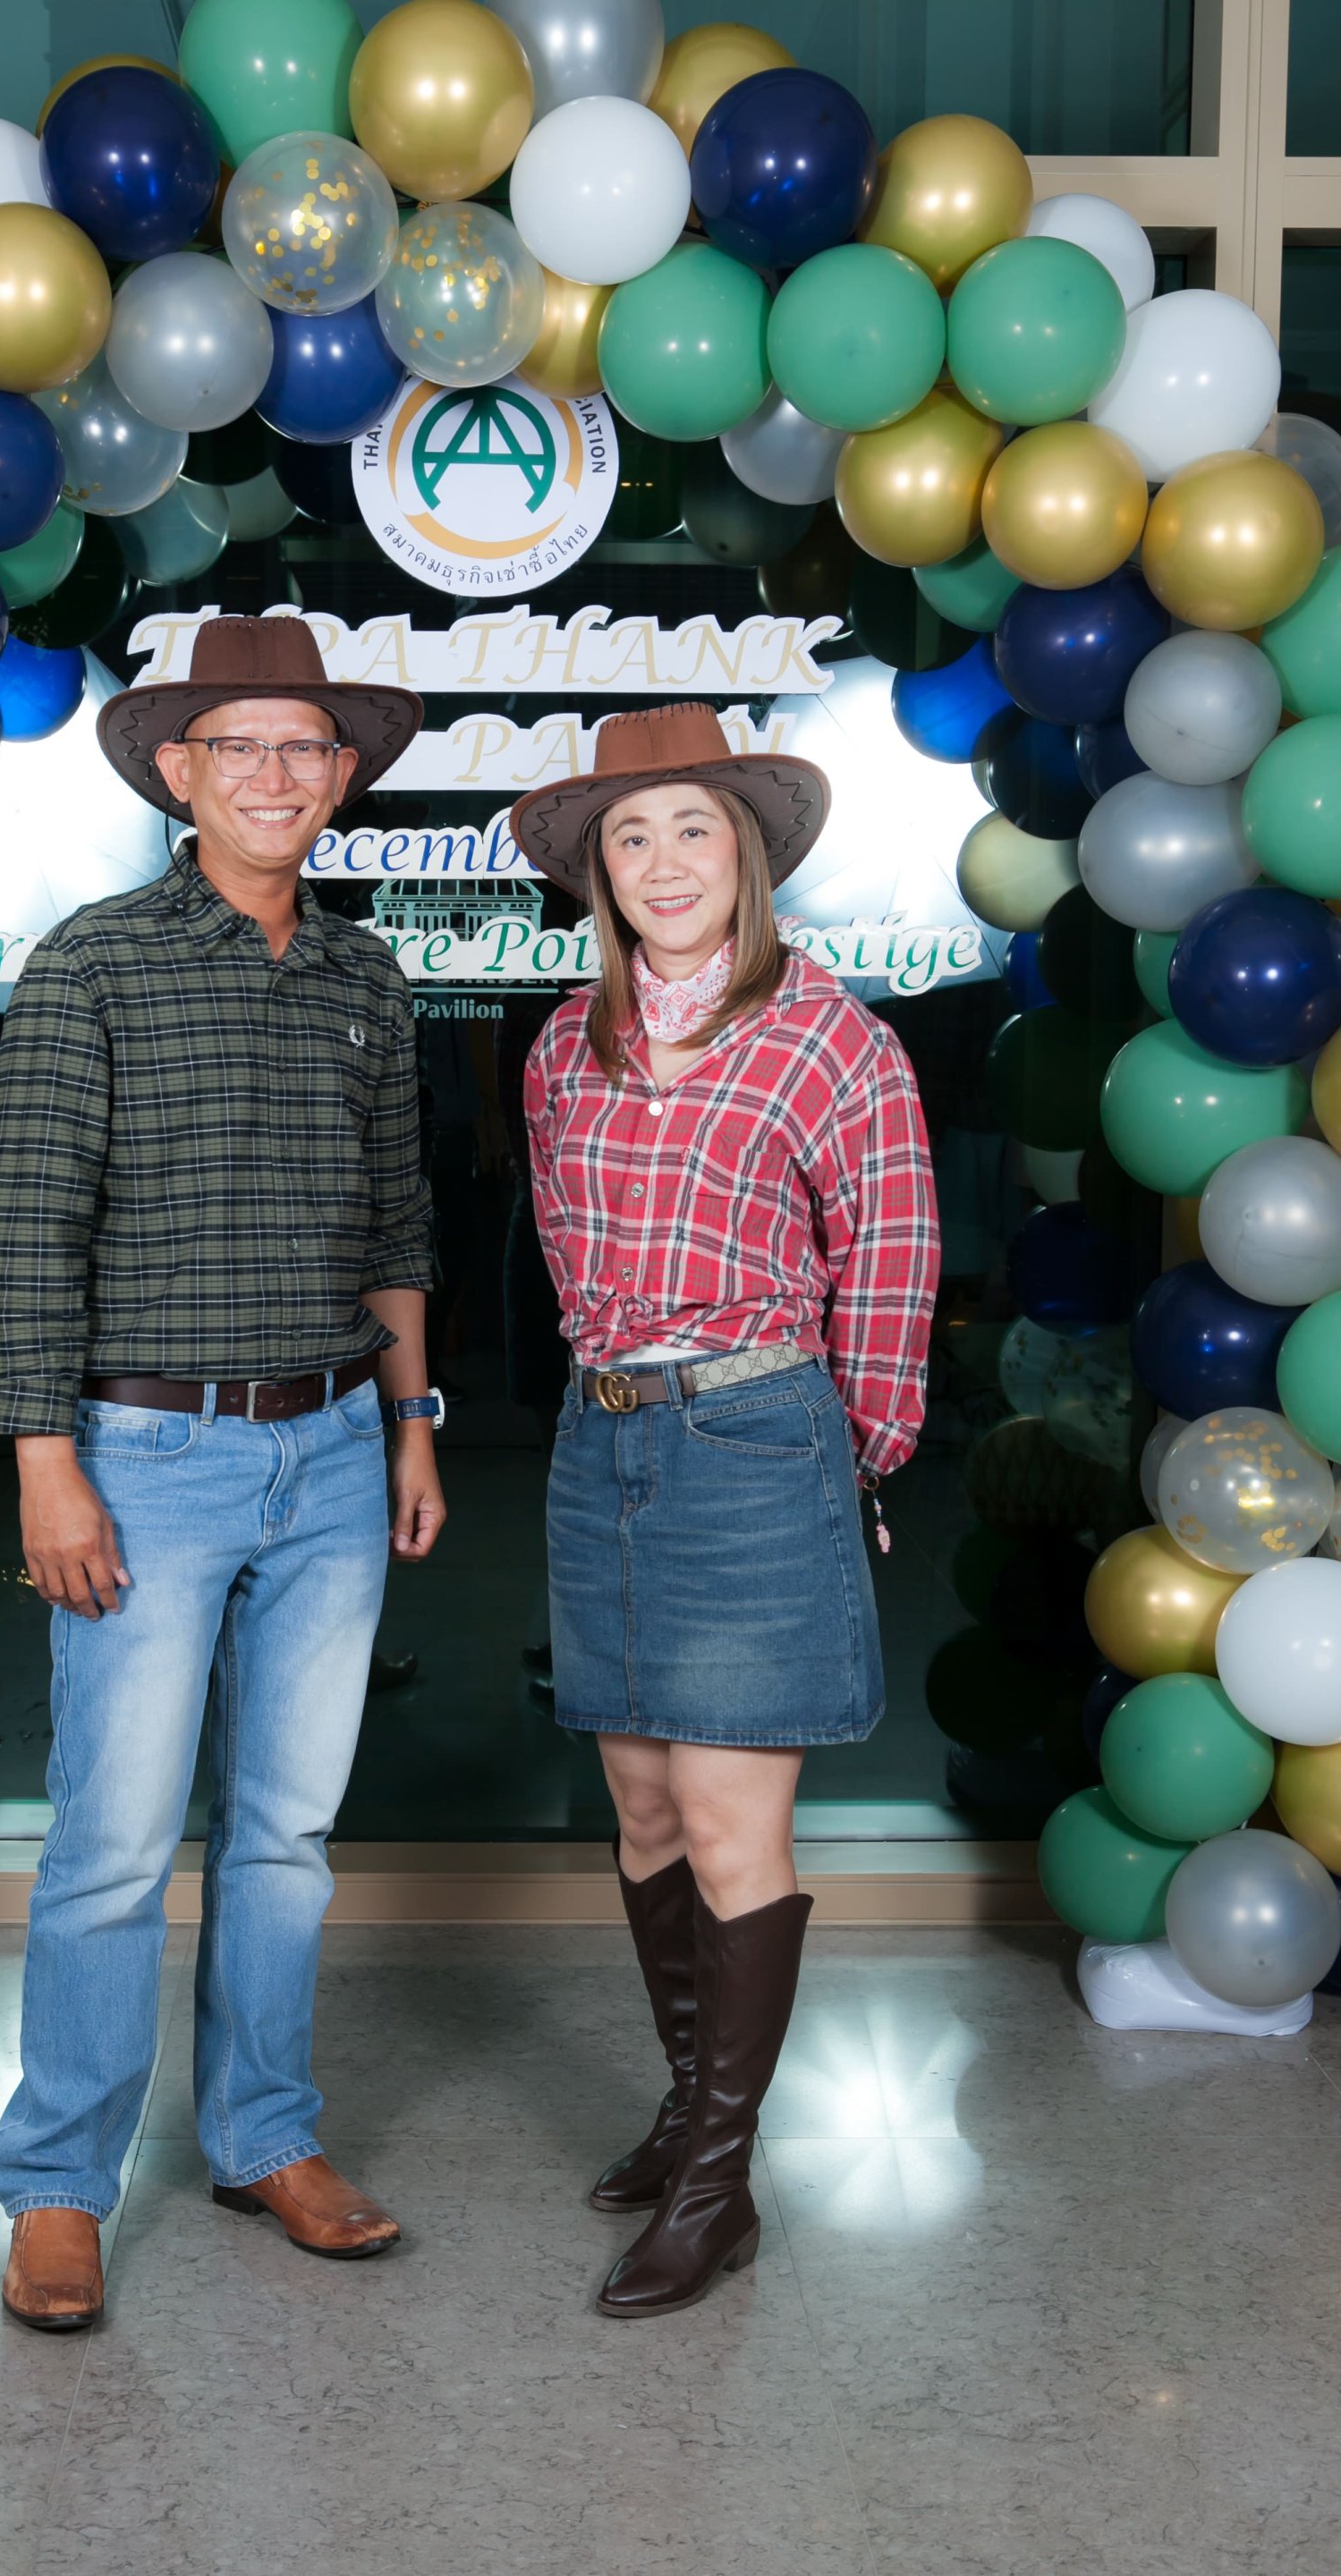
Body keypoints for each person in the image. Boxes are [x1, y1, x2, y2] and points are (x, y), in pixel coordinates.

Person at [0, 615, 447, 2330]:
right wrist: (47, 1465)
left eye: (303, 745)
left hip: (332, 1452)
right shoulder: (90, 964)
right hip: (145, 1457)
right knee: (112, 1842)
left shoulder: (366, 978)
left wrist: (410, 1420)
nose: (272, 774)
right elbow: (29, 1230)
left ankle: (264, 2137)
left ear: (342, 776)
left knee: (288, 1834)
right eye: (237, 745)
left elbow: (398, 1220)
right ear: (179, 773)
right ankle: (57, 2186)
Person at [515, 703, 938, 2319]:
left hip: (756, 1433)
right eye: (631, 836)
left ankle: (718, 2186)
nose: (664, 861)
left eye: (695, 827)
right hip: (603, 1438)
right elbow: (565, 1245)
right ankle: (696, 2106)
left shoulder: (832, 1039)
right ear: (602, 875)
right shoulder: (567, 1046)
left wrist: (856, 1456)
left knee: (725, 1819)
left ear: (748, 854)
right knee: (637, 1808)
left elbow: (890, 1254)